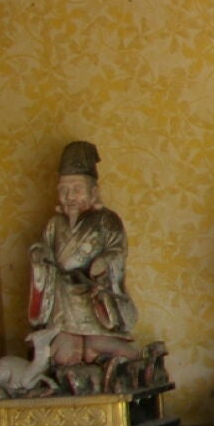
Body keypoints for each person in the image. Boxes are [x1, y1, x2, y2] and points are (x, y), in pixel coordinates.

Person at [27, 141, 139, 368]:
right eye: (63, 190)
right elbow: (44, 250)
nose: (69, 196)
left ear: (93, 192)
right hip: (64, 305)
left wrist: (103, 264)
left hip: (95, 301)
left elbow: (117, 251)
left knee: (97, 349)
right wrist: (40, 256)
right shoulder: (55, 224)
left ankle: (104, 349)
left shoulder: (107, 220)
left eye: (77, 189)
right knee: (63, 356)